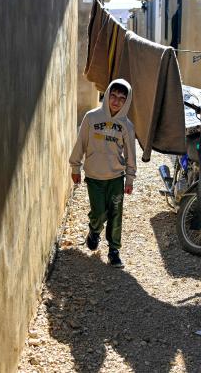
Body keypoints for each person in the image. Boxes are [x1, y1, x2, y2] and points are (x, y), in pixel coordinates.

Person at [69, 79, 137, 268]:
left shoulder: (126, 126)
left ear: (126, 101)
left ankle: (114, 251)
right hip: (94, 177)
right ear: (107, 95)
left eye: (122, 98)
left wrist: (129, 178)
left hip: (115, 177)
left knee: (116, 214)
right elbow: (80, 143)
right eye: (113, 96)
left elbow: (131, 154)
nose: (116, 101)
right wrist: (75, 167)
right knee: (99, 212)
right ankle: (94, 230)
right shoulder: (91, 118)